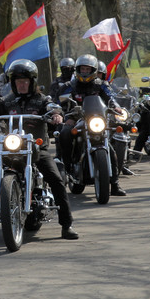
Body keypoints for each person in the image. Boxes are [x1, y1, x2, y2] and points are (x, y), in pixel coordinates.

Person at [0, 59, 79, 241]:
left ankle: (67, 225)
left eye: (25, 81)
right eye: (18, 81)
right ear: (13, 83)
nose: (22, 84)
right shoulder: (7, 101)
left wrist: (57, 114)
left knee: (56, 179)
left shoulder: (42, 100)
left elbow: (53, 106)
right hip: (12, 149)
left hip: (36, 148)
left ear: (32, 82)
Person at [57, 54, 127, 196]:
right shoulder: (69, 86)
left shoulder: (101, 84)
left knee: (111, 149)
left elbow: (110, 97)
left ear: (93, 71)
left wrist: (116, 107)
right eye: (82, 69)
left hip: (97, 119)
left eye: (87, 69)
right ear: (77, 70)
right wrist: (65, 115)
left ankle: (114, 184)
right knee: (65, 133)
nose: (84, 72)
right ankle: (67, 167)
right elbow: (59, 104)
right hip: (76, 118)